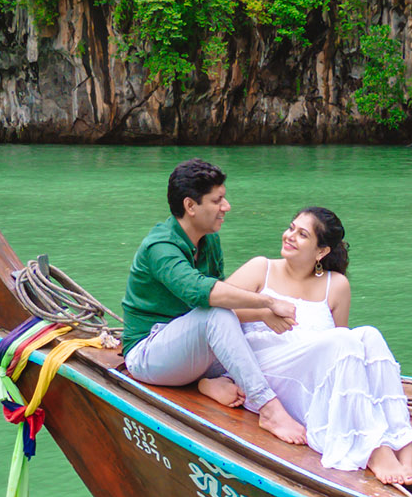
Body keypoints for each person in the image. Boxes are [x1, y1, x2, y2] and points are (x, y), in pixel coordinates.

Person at [224, 207, 412, 485]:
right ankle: (375, 449)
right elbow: (216, 312)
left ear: (321, 252)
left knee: (369, 335)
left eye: (302, 234)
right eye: (291, 227)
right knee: (344, 339)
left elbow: (348, 357)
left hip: (314, 372)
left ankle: (404, 446)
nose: (289, 236)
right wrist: (262, 313)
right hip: (268, 367)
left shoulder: (336, 285)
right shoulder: (262, 269)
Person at [122, 159, 309, 445]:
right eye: (217, 200)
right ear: (191, 206)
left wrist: (263, 317)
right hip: (149, 353)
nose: (227, 206)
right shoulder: (161, 247)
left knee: (255, 332)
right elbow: (203, 294)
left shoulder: (209, 240)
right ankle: (268, 409)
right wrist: (267, 303)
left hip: (189, 350)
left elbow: (221, 303)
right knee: (217, 316)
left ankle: (207, 383)